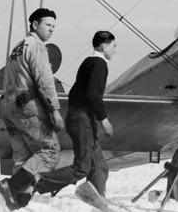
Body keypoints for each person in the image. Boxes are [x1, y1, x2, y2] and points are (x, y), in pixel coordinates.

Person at [0, 8, 66, 210]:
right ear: (35, 25)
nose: (51, 29)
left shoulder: (18, 47)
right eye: (47, 25)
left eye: (54, 26)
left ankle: (19, 205)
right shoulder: (37, 46)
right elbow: (44, 80)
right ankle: (11, 185)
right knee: (50, 151)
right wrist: (54, 110)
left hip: (9, 106)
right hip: (27, 106)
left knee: (23, 157)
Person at [34, 30, 116, 200]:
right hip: (82, 119)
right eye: (113, 46)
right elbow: (93, 95)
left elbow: (75, 93)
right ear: (104, 46)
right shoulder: (99, 64)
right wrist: (104, 120)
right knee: (81, 169)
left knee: (99, 166)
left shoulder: (88, 62)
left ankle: (97, 199)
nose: (115, 50)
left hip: (80, 118)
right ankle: (33, 181)